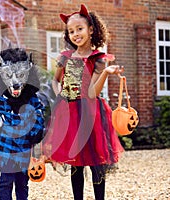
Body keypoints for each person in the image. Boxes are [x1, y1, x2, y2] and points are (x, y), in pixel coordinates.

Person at [43, 4, 124, 200]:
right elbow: (55, 80)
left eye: (79, 29)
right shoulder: (65, 57)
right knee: (75, 160)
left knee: (97, 160)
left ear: (91, 30)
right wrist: (59, 93)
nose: (75, 34)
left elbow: (91, 92)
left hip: (91, 113)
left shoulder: (98, 59)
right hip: (69, 112)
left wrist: (105, 72)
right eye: (71, 31)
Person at [0, 48, 45, 200]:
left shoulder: (32, 99)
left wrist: (34, 129)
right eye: (9, 75)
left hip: (24, 150)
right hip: (6, 151)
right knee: (6, 182)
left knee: (22, 184)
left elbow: (39, 118)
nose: (15, 82)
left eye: (21, 75)